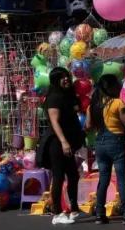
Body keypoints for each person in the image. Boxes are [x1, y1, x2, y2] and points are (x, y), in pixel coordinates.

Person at [86, 74, 125, 225]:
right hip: (116, 142)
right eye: (117, 85)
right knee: (122, 179)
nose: (120, 87)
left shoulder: (93, 105)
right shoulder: (117, 103)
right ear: (110, 88)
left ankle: (99, 213)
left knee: (103, 179)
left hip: (100, 143)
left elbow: (88, 126)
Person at [36, 67, 84, 225]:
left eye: (67, 77)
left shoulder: (66, 96)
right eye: (62, 77)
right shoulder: (54, 97)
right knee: (58, 176)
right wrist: (63, 142)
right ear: (55, 80)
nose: (66, 79)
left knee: (73, 175)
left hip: (67, 142)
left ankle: (74, 208)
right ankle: (56, 213)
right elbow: (55, 122)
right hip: (57, 142)